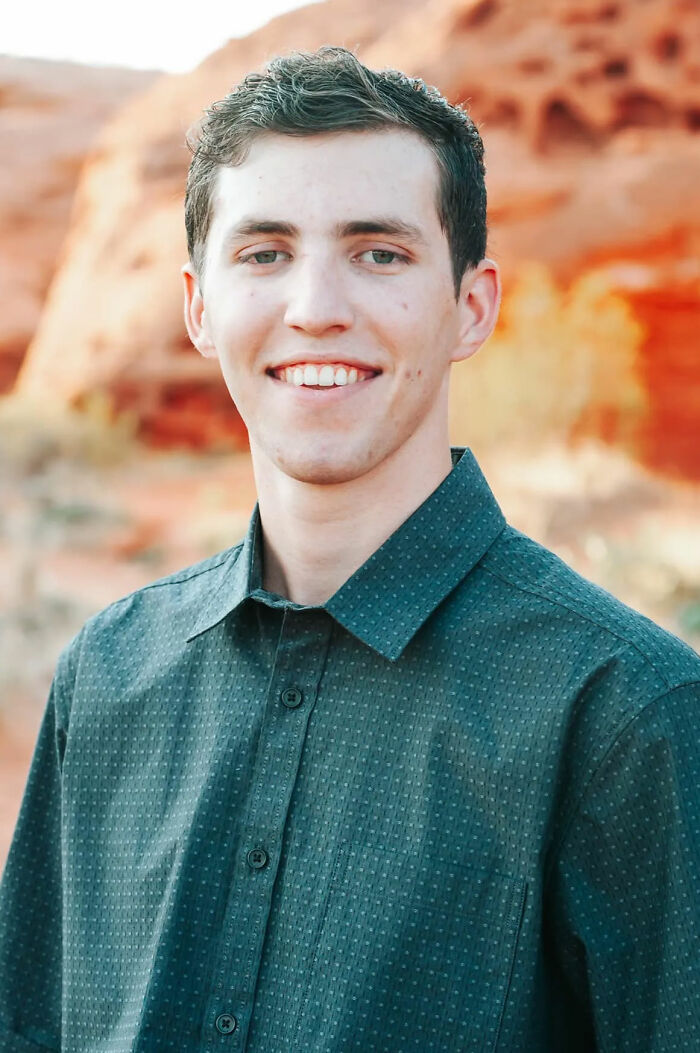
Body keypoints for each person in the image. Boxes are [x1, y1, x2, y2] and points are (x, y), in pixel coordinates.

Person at [0, 45, 698, 1053]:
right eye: (264, 252)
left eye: (378, 252)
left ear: (471, 306)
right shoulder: (109, 678)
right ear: (199, 307)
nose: (316, 305)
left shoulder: (627, 718)